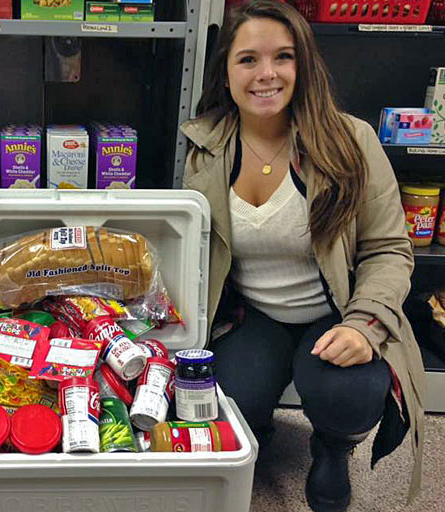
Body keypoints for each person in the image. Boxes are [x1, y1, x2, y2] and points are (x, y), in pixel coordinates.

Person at [181, 1, 425, 511]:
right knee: (218, 399)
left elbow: (389, 249)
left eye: (283, 57)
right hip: (253, 315)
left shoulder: (351, 140)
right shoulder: (204, 148)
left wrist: (364, 325)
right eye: (248, 59)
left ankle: (332, 448)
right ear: (226, 73)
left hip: (337, 312)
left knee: (350, 397)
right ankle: (255, 428)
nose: (266, 74)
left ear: (303, 65)